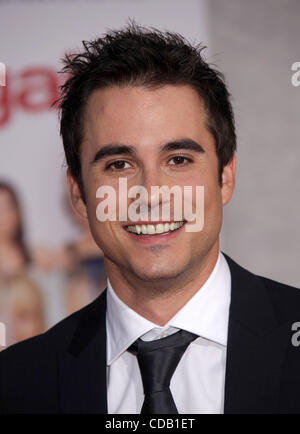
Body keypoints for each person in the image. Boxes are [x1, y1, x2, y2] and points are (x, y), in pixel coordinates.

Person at [1, 22, 300, 415]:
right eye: (120, 164)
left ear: (225, 177)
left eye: (178, 160)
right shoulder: (15, 384)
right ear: (79, 194)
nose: (151, 194)